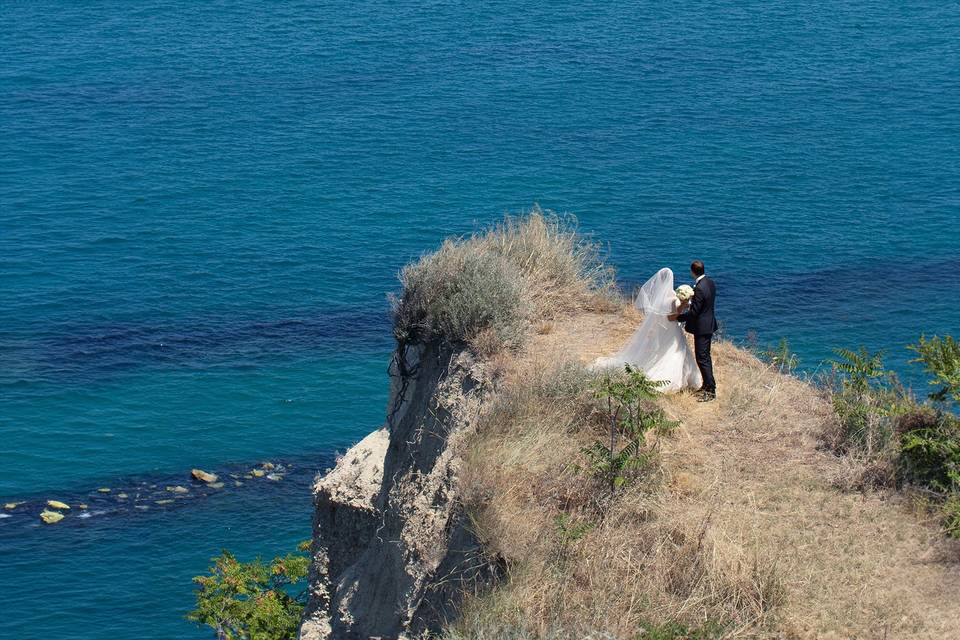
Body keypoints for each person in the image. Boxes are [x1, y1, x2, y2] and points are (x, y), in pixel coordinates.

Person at [592, 267, 701, 393]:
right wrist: (683, 304)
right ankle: (673, 379)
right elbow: (671, 317)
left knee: (662, 351)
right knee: (676, 351)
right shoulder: (672, 298)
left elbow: (655, 318)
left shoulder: (658, 298)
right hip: (671, 329)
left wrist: (652, 331)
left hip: (661, 329)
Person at [668, 260, 717, 401]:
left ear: (692, 272)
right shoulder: (710, 282)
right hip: (709, 324)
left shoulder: (700, 288)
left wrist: (677, 317)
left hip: (702, 328)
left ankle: (711, 391)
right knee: (705, 357)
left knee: (702, 359)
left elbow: (694, 312)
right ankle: (707, 385)